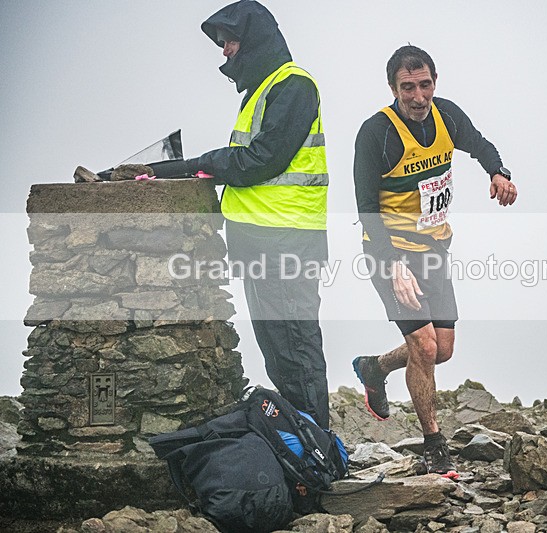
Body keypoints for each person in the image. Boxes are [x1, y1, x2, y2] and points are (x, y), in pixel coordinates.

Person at [154, 0, 330, 428]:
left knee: (294, 349)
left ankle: (317, 452)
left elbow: (260, 160)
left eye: (229, 41)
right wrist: (174, 170)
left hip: (285, 240)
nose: (225, 51)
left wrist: (187, 166)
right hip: (265, 240)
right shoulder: (266, 87)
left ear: (252, 40)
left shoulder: (293, 85)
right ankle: (305, 450)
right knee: (281, 351)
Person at [352, 45, 517, 476]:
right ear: (393, 89)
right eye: (408, 87)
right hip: (390, 253)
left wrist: (499, 173)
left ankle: (375, 367)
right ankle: (433, 443)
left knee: (441, 350)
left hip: (435, 249)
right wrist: (392, 264)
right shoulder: (376, 134)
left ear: (435, 83)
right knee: (423, 345)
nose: (418, 96)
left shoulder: (447, 116)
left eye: (425, 85)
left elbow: (479, 144)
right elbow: (366, 208)